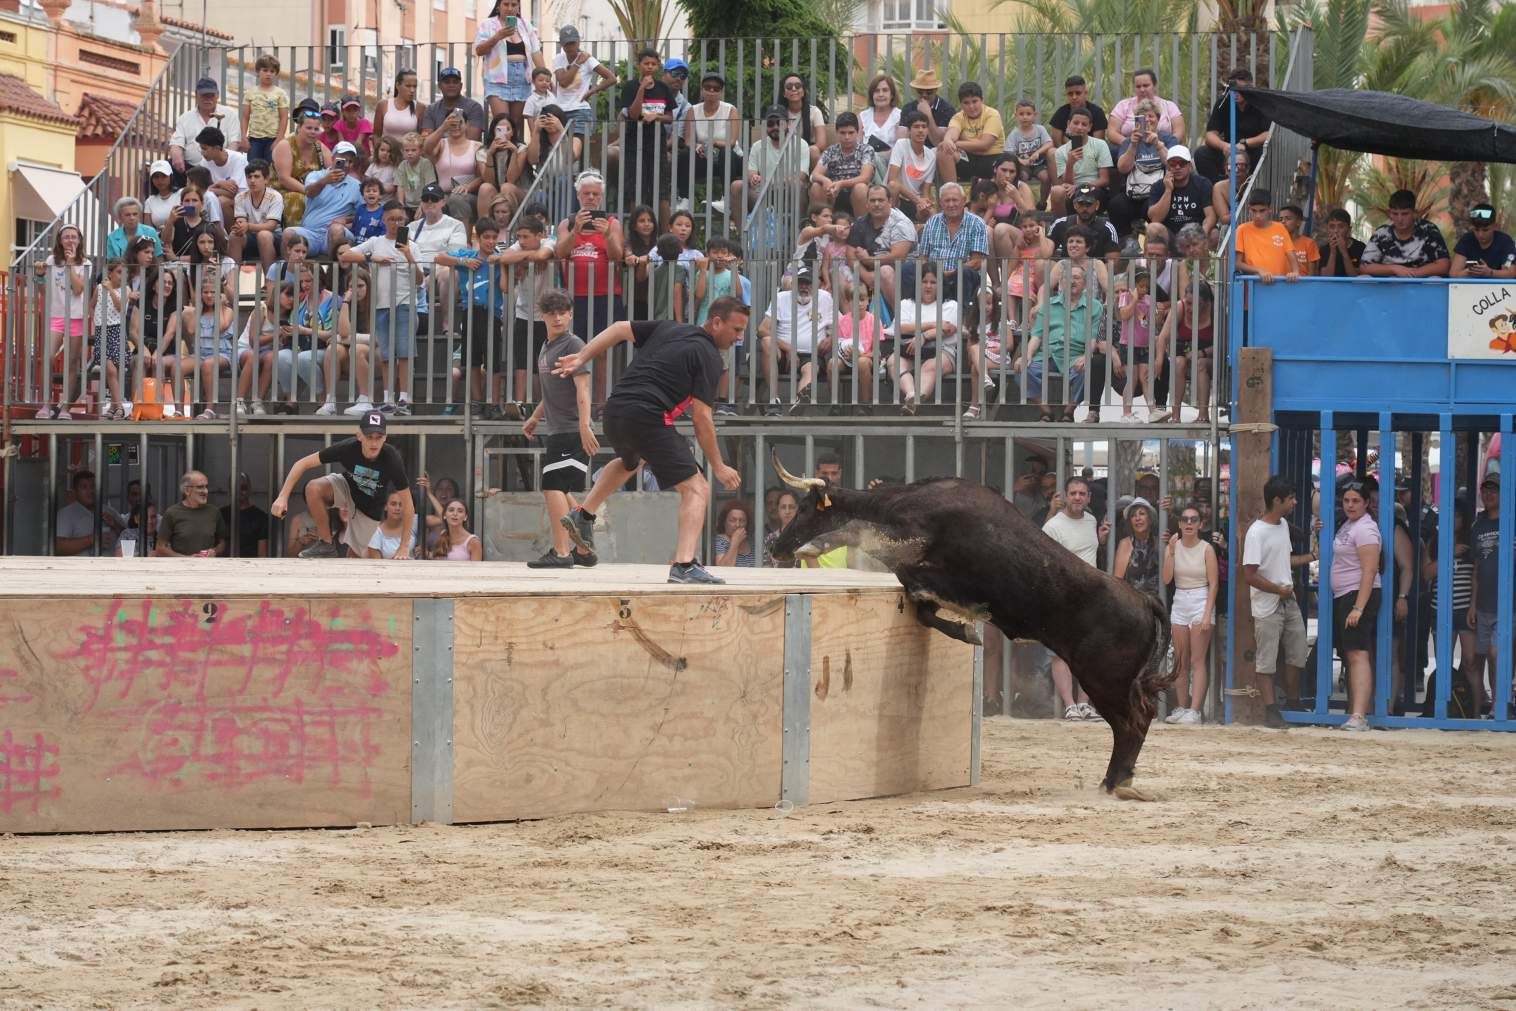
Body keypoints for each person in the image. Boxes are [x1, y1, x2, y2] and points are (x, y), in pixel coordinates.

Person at [555, 297, 750, 585]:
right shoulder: (708, 356)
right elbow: (702, 419)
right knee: (697, 488)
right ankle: (684, 565)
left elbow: (620, 328)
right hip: (648, 415)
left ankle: (584, 515)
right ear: (716, 322)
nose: (739, 338)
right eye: (736, 330)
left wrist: (583, 356)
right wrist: (718, 465)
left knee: (631, 461)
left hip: (615, 410)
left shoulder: (670, 328)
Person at [272, 409, 412, 559]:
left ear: (385, 438)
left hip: (369, 508)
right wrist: (282, 497)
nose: (374, 442)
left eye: (379, 437)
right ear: (359, 435)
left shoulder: (391, 458)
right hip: (347, 486)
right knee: (313, 488)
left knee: (353, 557)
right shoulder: (348, 448)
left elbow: (408, 504)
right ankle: (326, 543)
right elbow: (302, 463)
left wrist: (403, 546)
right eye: (369, 437)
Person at [521, 289, 597, 568]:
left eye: (562, 312)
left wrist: (585, 426)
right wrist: (535, 417)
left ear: (570, 314)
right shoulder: (546, 347)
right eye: (551, 313)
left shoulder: (573, 344)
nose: (557, 318)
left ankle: (562, 553)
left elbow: (583, 387)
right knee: (561, 490)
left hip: (571, 430)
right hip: (556, 429)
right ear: (542, 316)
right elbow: (551, 390)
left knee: (552, 485)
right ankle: (584, 549)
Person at [339, 200, 423, 415]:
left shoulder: (412, 246)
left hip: (404, 302)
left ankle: (404, 399)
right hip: (381, 305)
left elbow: (420, 280)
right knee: (386, 354)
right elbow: (345, 256)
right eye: (392, 219)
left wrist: (408, 256)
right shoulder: (375, 242)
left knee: (404, 353)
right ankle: (388, 398)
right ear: (384, 220)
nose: (396, 223)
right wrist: (370, 257)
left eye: (400, 219)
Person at [1241, 475, 1311, 727]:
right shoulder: (1256, 533)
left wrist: (1311, 556)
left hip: (1286, 599)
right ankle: (1271, 710)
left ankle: (1292, 701)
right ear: (1277, 500)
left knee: (1298, 650)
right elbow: (1249, 575)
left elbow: (1283, 561)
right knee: (1266, 659)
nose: (1295, 502)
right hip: (1268, 604)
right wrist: (1276, 589)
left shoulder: (1282, 526)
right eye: (1290, 498)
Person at [1042, 475, 1110, 720]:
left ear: (1088, 497)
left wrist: (1101, 541)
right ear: (1065, 496)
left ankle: (1084, 703)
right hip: (1063, 596)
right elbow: (1047, 563)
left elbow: (1089, 553)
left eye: (1082, 494)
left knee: (1089, 651)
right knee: (1061, 652)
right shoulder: (1053, 526)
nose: (1078, 498)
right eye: (1074, 493)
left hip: (1090, 596)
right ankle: (1069, 704)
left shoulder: (1091, 520)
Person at [1016, 262, 1103, 423]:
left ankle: (1068, 412)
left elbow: (1092, 338)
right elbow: (1037, 335)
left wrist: (1086, 355)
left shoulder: (1095, 306)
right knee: (1022, 368)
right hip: (1047, 354)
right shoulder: (1049, 304)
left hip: (1074, 355)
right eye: (1067, 278)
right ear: (1062, 283)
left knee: (1087, 370)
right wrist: (1027, 355)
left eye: (1076, 278)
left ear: (1084, 284)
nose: (1071, 281)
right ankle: (1045, 411)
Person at [1328, 479, 1382, 731]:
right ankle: (1355, 711)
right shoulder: (1349, 524)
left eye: (1356, 501)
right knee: (1351, 654)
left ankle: (1359, 715)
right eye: (1347, 500)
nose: (1350, 505)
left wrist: (1359, 607)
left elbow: (1370, 570)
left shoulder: (1366, 529)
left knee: (1358, 653)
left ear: (1367, 503)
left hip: (1356, 595)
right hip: (1345, 595)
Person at [1162, 502, 1220, 724]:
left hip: (1200, 598)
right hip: (1180, 599)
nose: (1188, 523)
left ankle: (1194, 710)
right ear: (1179, 523)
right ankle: (1181, 706)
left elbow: (1213, 584)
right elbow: (1167, 579)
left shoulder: (1206, 549)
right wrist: (1171, 551)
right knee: (1180, 659)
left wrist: (1206, 614)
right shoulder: (1173, 547)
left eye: (1193, 520)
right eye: (1184, 520)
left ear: (1200, 524)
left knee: (1197, 659)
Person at [1425, 496, 1479, 713]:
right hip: (1440, 609)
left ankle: (1475, 714)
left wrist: (1474, 606)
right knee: (1443, 664)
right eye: (1450, 516)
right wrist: (1448, 554)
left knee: (1470, 662)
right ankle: (1445, 711)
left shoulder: (1472, 542)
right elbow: (1426, 573)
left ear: (1463, 519)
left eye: (1457, 516)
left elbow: (1478, 576)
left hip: (1465, 609)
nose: (1453, 520)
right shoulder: (1436, 543)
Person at [886, 262, 959, 415]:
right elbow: (900, 327)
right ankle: (911, 394)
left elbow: (948, 328)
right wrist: (933, 324)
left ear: (940, 284)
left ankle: (914, 404)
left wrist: (924, 336)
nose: (928, 286)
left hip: (942, 349)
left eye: (933, 282)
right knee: (893, 361)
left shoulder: (951, 305)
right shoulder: (906, 304)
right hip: (909, 349)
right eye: (924, 281)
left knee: (930, 367)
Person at [34, 225, 91, 421]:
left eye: (74, 237)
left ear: (79, 240)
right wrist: (40, 276)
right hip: (56, 315)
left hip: (76, 316)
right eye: (66, 237)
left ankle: (65, 407)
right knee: (48, 356)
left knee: (72, 362)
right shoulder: (51, 261)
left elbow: (77, 289)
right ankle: (46, 404)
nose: (70, 240)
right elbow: (44, 292)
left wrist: (70, 263)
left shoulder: (85, 263)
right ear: (60, 240)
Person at [759, 269, 833, 415]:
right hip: (782, 353)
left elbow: (837, 326)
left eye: (808, 283)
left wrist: (831, 338)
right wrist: (788, 348)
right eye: (801, 283)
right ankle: (774, 400)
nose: (804, 287)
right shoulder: (780, 298)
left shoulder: (825, 298)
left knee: (811, 368)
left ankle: (799, 401)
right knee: (767, 342)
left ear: (816, 285)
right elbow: (762, 329)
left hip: (811, 355)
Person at [1110, 99, 1177, 240]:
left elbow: (1172, 165)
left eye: (1151, 116)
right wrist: (1133, 145)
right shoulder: (1129, 141)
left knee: (1153, 207)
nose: (1147, 120)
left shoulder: (1168, 139)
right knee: (1116, 204)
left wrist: (1157, 144)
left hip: (1157, 192)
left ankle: (1154, 242)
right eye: (1143, 117)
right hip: (1133, 192)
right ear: (1137, 121)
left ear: (1158, 119)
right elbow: (1122, 168)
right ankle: (1125, 241)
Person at [475, 0, 545, 128]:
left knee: (514, 126)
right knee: (502, 124)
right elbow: (479, 50)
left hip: (522, 79)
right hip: (497, 79)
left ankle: (511, 148)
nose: (509, 8)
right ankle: (498, 146)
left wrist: (544, 75)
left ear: (518, 8)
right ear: (498, 7)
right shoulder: (488, 25)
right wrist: (498, 36)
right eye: (506, 4)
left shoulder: (525, 24)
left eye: (514, 5)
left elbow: (536, 51)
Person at [1194, 68, 1271, 183]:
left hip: (1253, 151)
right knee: (1201, 154)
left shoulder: (1262, 103)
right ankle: (1217, 190)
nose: (1236, 93)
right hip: (1229, 152)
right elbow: (1210, 134)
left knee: (1264, 154)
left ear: (1250, 87)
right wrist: (1224, 146)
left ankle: (1252, 189)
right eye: (1232, 89)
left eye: (1240, 89)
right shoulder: (1223, 101)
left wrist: (1246, 143)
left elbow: (1268, 134)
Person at [286, 140, 361, 257]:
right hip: (311, 233)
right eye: (342, 160)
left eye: (350, 162)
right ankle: (286, 274)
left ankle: (334, 274)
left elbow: (362, 214)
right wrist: (325, 181)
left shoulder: (357, 186)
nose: (346, 164)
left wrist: (346, 220)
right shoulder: (315, 176)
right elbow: (309, 193)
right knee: (288, 233)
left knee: (336, 229)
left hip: (335, 233)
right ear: (332, 159)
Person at [676, 73, 742, 206]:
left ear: (721, 92)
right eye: (707, 87)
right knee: (683, 155)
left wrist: (714, 143)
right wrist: (697, 146)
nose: (711, 91)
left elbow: (732, 142)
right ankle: (684, 199)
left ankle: (727, 198)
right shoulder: (693, 111)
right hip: (705, 157)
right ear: (702, 90)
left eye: (716, 88)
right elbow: (688, 140)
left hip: (731, 159)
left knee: (725, 152)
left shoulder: (730, 110)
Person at [1468, 476, 1506, 705]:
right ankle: (1496, 705)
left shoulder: (1510, 521)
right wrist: (1473, 604)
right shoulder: (1478, 526)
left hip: (1506, 604)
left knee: (1496, 653)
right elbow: (1476, 568)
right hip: (1483, 604)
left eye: (1494, 490)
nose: (1489, 494)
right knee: (1486, 657)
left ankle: (1502, 702)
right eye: (1485, 490)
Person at [847, 184, 916, 309]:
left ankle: (901, 318)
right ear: (867, 204)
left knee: (884, 271)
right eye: (872, 201)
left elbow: (898, 257)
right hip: (870, 272)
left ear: (890, 202)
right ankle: (850, 323)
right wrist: (865, 276)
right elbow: (850, 253)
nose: (877, 204)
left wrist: (869, 260)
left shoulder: (901, 223)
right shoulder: (861, 222)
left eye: (881, 200)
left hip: (903, 273)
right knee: (840, 276)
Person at [1360, 189, 1451, 278]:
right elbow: (1364, 267)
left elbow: (1443, 265)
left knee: (1435, 280)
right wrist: (1394, 269)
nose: (1400, 219)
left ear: (1414, 213)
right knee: (1363, 278)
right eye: (1395, 214)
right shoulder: (1382, 233)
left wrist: (1412, 273)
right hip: (1390, 284)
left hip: (1421, 283)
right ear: (1390, 213)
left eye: (1405, 214)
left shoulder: (1428, 230)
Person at [550, 26, 617, 141]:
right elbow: (564, 82)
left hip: (580, 110)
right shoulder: (558, 59)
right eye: (566, 43)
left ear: (578, 42)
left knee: (578, 149)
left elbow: (611, 78)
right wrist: (578, 63)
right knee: (560, 148)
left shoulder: (589, 60)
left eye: (573, 43)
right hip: (560, 110)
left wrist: (592, 91)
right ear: (561, 44)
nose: (570, 47)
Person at [272, 104, 333, 228]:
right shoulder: (285, 145)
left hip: (313, 190)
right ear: (299, 127)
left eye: (316, 129)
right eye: (309, 128)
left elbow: (332, 168)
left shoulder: (319, 146)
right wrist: (309, 191)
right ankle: (294, 238)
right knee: (297, 199)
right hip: (284, 191)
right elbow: (284, 179)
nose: (313, 132)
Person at [170, 78, 244, 177]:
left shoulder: (230, 114)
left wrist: (225, 164)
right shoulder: (185, 118)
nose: (208, 99)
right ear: (196, 94)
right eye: (204, 95)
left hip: (220, 169)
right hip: (191, 170)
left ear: (217, 95)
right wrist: (176, 155)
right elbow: (176, 143)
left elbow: (234, 144)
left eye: (211, 95)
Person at [937, 81, 1003, 186]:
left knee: (949, 146)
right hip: (970, 159)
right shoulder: (958, 117)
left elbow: (984, 145)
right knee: (943, 148)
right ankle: (952, 193)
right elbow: (952, 132)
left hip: (991, 161)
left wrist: (956, 144)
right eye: (966, 103)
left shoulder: (992, 114)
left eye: (974, 101)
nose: (971, 106)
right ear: (961, 104)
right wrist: (948, 140)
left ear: (982, 100)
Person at [1048, 109, 1112, 214]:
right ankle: (1061, 224)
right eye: (1076, 123)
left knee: (1084, 192)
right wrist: (1070, 163)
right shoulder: (1061, 151)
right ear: (1069, 124)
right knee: (1056, 191)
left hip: (1093, 188)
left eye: (1084, 124)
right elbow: (1067, 183)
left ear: (1090, 127)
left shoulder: (1100, 145)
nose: (1079, 127)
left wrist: (1080, 186)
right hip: (1072, 189)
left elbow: (1104, 180)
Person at [1145, 145, 1214, 239]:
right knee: (1152, 228)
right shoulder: (1158, 186)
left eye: (1182, 163)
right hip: (1169, 236)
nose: (1177, 167)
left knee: (1214, 233)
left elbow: (1210, 216)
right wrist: (1168, 190)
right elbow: (1155, 219)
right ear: (1168, 166)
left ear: (1190, 166)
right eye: (1173, 163)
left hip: (1195, 233)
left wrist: (1201, 235)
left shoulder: (1203, 184)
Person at [155, 470, 228, 558]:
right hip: (181, 569)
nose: (205, 491)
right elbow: (160, 548)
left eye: (206, 487)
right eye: (200, 487)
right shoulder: (172, 513)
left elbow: (223, 543)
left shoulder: (214, 512)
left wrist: (215, 551)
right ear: (187, 490)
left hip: (208, 568)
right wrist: (186, 559)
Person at [1106, 68, 1186, 148]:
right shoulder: (1123, 105)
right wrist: (1129, 144)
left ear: (1155, 86)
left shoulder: (1169, 106)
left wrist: (1165, 145)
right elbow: (1112, 132)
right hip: (1130, 150)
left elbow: (1179, 131)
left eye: (1146, 85)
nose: (1142, 89)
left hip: (1165, 148)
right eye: (1138, 86)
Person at [1233, 189, 1299, 284]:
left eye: (1262, 211)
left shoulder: (1280, 228)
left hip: (1279, 285)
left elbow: (1291, 253)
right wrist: (1259, 270)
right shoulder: (1242, 229)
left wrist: (1295, 272)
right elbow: (1237, 263)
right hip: (1254, 286)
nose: (1258, 215)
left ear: (1270, 209)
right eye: (1254, 211)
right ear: (1249, 209)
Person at [55, 469, 124, 556]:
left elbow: (131, 538)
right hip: (83, 568)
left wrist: (115, 525)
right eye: (84, 487)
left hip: (114, 567)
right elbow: (58, 547)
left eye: (93, 486)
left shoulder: (109, 511)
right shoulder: (66, 514)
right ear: (75, 492)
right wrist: (92, 540)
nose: (90, 491)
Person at [232, 159, 284, 267]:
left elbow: (271, 226)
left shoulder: (275, 196)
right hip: (251, 237)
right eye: (249, 177)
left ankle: (270, 281)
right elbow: (240, 221)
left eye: (256, 176)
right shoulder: (240, 197)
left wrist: (248, 226)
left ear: (266, 179)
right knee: (234, 235)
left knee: (263, 235)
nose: (252, 180)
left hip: (274, 237)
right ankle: (232, 279)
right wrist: (240, 226)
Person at [241, 54, 289, 163]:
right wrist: (244, 137)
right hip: (254, 140)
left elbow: (284, 117)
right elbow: (245, 117)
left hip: (273, 139)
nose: (268, 74)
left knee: (272, 171)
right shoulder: (250, 93)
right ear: (258, 71)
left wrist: (279, 139)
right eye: (265, 70)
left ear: (276, 74)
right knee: (254, 169)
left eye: (272, 71)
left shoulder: (280, 93)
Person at [1451, 203, 1516, 279]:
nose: (1480, 234)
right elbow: (1453, 274)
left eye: (1485, 230)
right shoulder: (1466, 240)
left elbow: (1511, 273)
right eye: (1476, 230)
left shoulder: (1505, 241)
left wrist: (1490, 272)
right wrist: (1470, 272)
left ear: (1495, 226)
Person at [421, 66, 486, 141]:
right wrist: (443, 128)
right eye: (447, 82)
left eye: (455, 82)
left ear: (461, 86)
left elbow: (473, 141)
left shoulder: (474, 107)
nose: (451, 85)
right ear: (439, 86)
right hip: (438, 152)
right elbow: (427, 142)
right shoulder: (431, 109)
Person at [221, 473, 270, 557]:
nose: (239, 491)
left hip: (250, 566)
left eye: (243, 488)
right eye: (235, 488)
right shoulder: (220, 514)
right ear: (229, 490)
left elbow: (262, 553)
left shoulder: (261, 517)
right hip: (223, 566)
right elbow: (217, 546)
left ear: (249, 489)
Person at [375, 69, 427, 144]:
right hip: (387, 154)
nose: (412, 90)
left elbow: (421, 137)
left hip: (409, 154)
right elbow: (376, 135)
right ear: (397, 85)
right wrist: (378, 153)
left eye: (414, 86)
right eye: (408, 86)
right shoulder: (383, 105)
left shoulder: (420, 108)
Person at [364, 489, 419, 559]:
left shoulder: (413, 521)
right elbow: (377, 565)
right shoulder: (376, 532)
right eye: (393, 504)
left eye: (401, 504)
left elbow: (437, 519)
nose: (397, 508)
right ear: (385, 506)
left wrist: (429, 493)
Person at [105, 197, 163, 261]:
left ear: (139, 215)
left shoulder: (150, 232)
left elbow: (159, 258)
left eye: (135, 214)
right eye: (127, 215)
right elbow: (111, 264)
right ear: (120, 218)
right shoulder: (112, 237)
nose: (132, 218)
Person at [428, 495, 482, 561]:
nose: (455, 514)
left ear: (465, 517)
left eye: (460, 511)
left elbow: (477, 570)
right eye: (451, 510)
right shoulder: (443, 534)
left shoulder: (473, 542)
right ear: (444, 515)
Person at [1278, 204, 1320, 277]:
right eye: (1281, 219)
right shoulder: (1276, 243)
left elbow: (1312, 274)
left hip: (1303, 286)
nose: (1283, 222)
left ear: (1299, 222)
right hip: (1280, 285)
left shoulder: (1309, 243)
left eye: (1288, 218)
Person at [713, 499, 758, 567]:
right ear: (724, 522)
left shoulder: (752, 543)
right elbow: (723, 569)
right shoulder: (720, 541)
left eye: (742, 521)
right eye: (732, 520)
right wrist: (735, 543)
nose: (737, 525)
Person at [764, 490, 801, 567]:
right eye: (783, 507)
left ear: (797, 509)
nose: (787, 511)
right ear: (778, 510)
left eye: (791, 507)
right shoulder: (770, 539)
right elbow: (766, 568)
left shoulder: (805, 537)